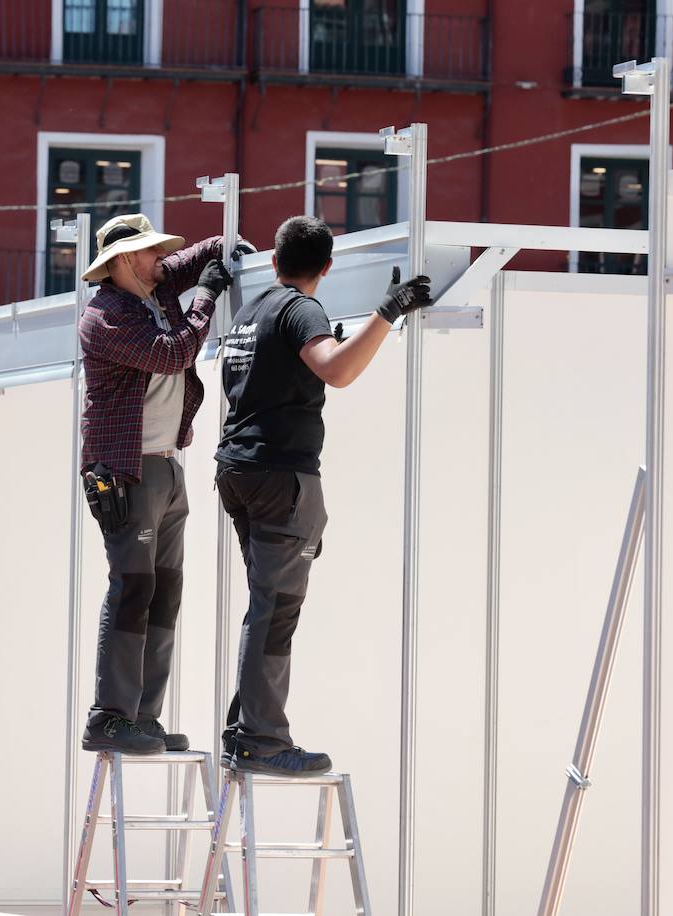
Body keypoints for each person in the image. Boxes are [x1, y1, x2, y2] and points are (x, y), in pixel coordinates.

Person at [214, 215, 431, 776]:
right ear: (326, 267)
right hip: (280, 475)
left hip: (238, 470)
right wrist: (389, 311)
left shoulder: (249, 311)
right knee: (277, 608)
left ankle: (247, 727)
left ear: (277, 258)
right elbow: (335, 370)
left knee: (267, 602)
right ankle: (262, 738)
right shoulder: (300, 309)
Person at [77, 212, 247, 755]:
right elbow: (173, 352)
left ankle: (143, 719)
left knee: (164, 594)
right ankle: (109, 716)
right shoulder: (105, 316)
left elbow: (189, 259)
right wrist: (206, 300)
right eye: (151, 253)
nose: (162, 259)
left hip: (165, 466)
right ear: (125, 261)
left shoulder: (149, 286)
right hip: (129, 469)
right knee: (133, 590)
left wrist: (225, 238)